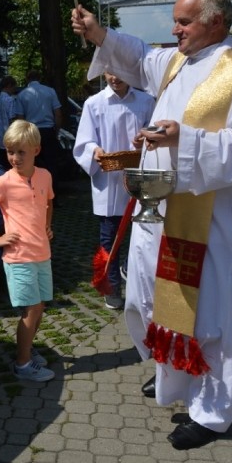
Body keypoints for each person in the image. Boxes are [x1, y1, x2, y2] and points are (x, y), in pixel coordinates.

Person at [71, 0, 232, 450]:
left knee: (211, 316)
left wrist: (187, 138)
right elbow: (139, 59)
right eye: (175, 20)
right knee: (152, 299)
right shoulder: (179, 61)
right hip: (162, 212)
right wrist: (100, 33)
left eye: (184, 21)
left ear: (216, 23)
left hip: (213, 223)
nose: (174, 29)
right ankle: (175, 381)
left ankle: (213, 411)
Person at [0, 120, 56, 383]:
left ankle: (27, 350)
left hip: (42, 253)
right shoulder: (3, 182)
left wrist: (47, 226)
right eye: (10, 151)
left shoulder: (44, 176)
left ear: (36, 150)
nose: (15, 158)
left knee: (39, 308)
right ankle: (22, 363)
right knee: (30, 310)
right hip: (18, 257)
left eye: (21, 151)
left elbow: (49, 202)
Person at [73, 72, 155, 310]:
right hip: (108, 181)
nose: (114, 78)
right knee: (110, 238)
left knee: (143, 234)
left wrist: (145, 140)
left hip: (140, 177)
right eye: (109, 72)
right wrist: (94, 150)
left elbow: (155, 132)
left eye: (120, 72)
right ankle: (111, 286)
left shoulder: (145, 101)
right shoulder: (94, 103)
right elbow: (83, 142)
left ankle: (139, 286)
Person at [17, 69, 63, 178]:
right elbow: (58, 114)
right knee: (51, 163)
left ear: (27, 79)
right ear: (40, 78)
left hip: (31, 132)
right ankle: (52, 190)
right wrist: (56, 131)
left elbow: (20, 118)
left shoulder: (22, 95)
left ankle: (35, 190)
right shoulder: (50, 91)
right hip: (48, 130)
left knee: (33, 163)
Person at [0, 75, 23, 153]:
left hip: (1, 137)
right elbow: (12, 119)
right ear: (9, 85)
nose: (14, 89)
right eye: (14, 87)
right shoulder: (10, 100)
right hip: (11, 137)